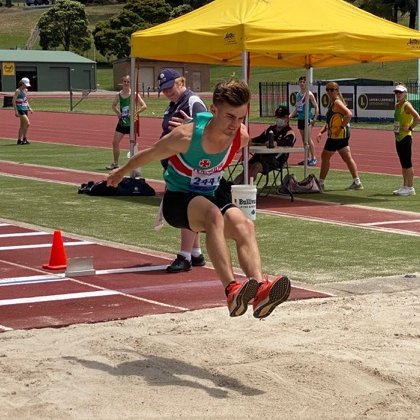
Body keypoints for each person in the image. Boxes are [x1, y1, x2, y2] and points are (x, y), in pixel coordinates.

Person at [107, 79, 291, 319]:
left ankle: (260, 290)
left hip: (212, 191)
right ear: (213, 110)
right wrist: (120, 172)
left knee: (244, 225)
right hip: (179, 199)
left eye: (240, 117)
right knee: (213, 215)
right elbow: (150, 154)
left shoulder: (241, 136)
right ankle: (232, 290)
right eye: (229, 117)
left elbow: (238, 137)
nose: (235, 125)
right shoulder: (185, 136)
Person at [157, 68, 208, 273]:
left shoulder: (193, 101)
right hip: (176, 162)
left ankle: (184, 256)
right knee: (185, 206)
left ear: (180, 82)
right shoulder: (173, 104)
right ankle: (195, 252)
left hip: (190, 163)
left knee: (187, 207)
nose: (167, 92)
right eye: (164, 89)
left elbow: (206, 128)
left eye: (170, 87)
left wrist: (189, 126)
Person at [316, 81, 363, 191]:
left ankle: (321, 183)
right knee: (347, 157)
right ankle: (357, 182)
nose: (329, 92)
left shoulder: (337, 103)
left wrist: (341, 128)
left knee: (325, 156)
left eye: (332, 90)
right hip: (341, 136)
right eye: (327, 90)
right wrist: (321, 132)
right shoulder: (333, 102)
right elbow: (330, 122)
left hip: (337, 136)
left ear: (337, 91)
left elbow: (349, 114)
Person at [233, 105, 295, 184]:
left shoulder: (289, 132)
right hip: (262, 155)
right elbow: (260, 138)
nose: (279, 119)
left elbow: (289, 142)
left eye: (282, 117)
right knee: (247, 167)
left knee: (256, 167)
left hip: (275, 159)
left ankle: (246, 187)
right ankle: (232, 187)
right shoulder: (271, 129)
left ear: (287, 118)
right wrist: (249, 140)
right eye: (277, 117)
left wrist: (276, 143)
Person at [106, 75, 147, 170]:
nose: (126, 83)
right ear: (122, 82)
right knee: (115, 142)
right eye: (124, 81)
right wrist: (118, 113)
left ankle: (135, 165)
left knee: (133, 144)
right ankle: (115, 163)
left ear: (130, 83)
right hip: (122, 122)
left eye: (128, 82)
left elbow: (144, 106)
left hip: (132, 123)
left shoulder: (134, 94)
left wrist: (134, 113)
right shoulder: (118, 95)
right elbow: (113, 106)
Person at [392, 84, 419, 196]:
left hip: (405, 137)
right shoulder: (398, 105)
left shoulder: (407, 105)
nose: (398, 94)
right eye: (396, 92)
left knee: (407, 162)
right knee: (403, 163)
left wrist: (411, 127)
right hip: (398, 137)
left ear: (405, 94)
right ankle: (404, 186)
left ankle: (410, 187)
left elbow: (417, 117)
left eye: (400, 92)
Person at [289, 76, 319, 166]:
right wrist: (289, 116)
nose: (302, 83)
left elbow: (316, 107)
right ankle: (307, 158)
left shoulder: (309, 94)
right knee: (304, 141)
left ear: (306, 83)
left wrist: (314, 119)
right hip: (300, 119)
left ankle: (314, 158)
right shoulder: (298, 95)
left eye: (303, 82)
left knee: (308, 139)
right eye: (300, 82)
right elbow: (297, 109)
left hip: (307, 119)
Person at [13, 77, 33, 145]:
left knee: (22, 125)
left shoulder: (26, 90)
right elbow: (13, 101)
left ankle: (19, 140)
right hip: (20, 109)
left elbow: (25, 100)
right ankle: (24, 138)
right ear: (23, 83)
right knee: (27, 123)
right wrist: (16, 111)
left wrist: (29, 107)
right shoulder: (18, 91)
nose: (26, 86)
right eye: (25, 84)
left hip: (25, 109)